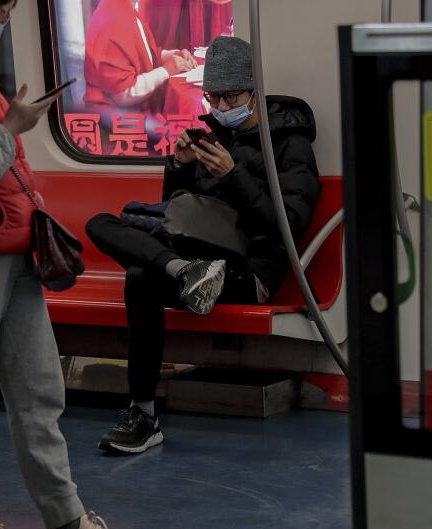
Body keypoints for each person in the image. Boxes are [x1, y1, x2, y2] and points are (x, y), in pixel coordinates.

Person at [0, 0, 145, 529]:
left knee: (39, 393)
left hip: (15, 248)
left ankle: (67, 523)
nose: (1, 21)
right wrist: (15, 128)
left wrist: (11, 127)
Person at [85, 36, 321, 454]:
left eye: (232, 97)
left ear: (253, 90)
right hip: (197, 259)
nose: (223, 108)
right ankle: (179, 273)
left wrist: (234, 176)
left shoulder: (289, 142)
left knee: (142, 278)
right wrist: (178, 168)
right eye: (215, 97)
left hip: (249, 269)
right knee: (100, 223)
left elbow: (289, 226)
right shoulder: (212, 135)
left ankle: (143, 411)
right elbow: (177, 209)